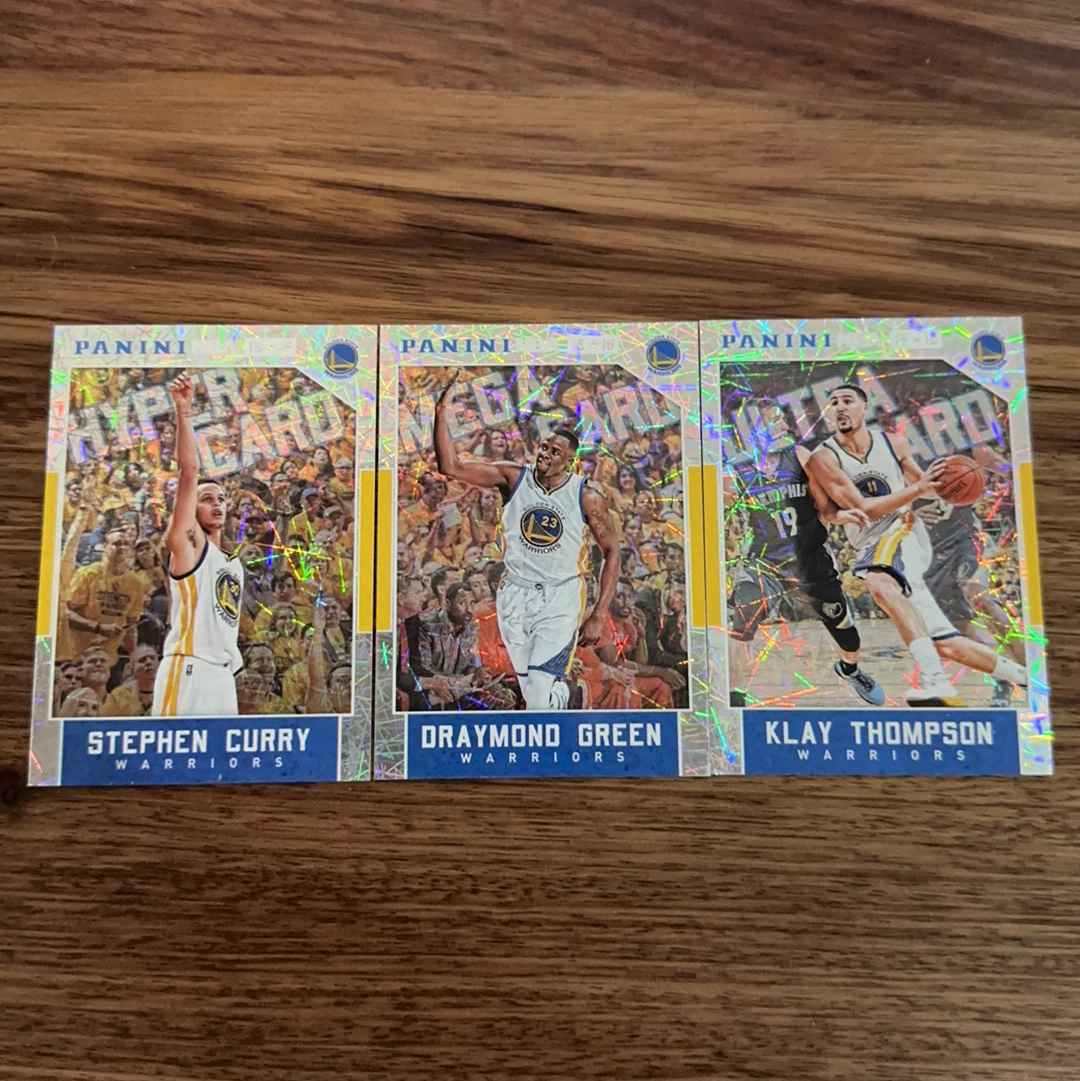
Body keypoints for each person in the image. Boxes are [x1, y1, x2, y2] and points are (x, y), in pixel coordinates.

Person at [807, 383, 1028, 707]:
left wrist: (953, 482)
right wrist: (841, 515)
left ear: (864, 408)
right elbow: (847, 509)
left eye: (847, 400)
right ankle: (1023, 677)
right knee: (946, 642)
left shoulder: (897, 444)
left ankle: (935, 681)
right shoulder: (823, 457)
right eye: (834, 403)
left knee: (881, 582)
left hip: (908, 532)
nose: (839, 407)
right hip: (875, 542)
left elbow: (927, 485)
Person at [434, 370, 620, 711]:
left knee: (535, 695)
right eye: (544, 447)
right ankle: (563, 696)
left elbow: (612, 551)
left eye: (555, 451)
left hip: (561, 595)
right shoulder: (513, 477)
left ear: (570, 461)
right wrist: (440, 412)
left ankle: (560, 699)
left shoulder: (586, 496)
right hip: (515, 593)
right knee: (531, 686)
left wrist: (597, 614)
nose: (545, 454)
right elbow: (451, 466)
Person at [725, 398, 886, 706]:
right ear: (755, 428)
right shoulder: (735, 471)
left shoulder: (799, 456)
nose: (785, 425)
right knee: (742, 619)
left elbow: (827, 504)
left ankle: (850, 669)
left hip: (807, 560)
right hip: (763, 562)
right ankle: (734, 696)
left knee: (843, 626)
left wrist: (842, 514)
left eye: (783, 419)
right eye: (775, 420)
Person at [152, 373, 245, 717]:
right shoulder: (189, 545)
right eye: (207, 499)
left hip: (223, 675)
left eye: (221, 499)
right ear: (192, 508)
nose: (217, 504)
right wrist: (184, 410)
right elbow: (189, 471)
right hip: (189, 666)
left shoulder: (232, 562)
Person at [64, 526, 147, 668]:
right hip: (80, 658)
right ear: (104, 546)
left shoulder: (136, 582)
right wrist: (98, 628)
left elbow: (131, 626)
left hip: (108, 661)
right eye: (117, 543)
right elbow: (67, 614)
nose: (122, 547)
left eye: (126, 544)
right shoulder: (87, 574)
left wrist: (134, 656)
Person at [101, 643, 161, 717]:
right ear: (132, 670)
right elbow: (106, 721)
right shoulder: (119, 695)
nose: (149, 662)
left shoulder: (170, 690)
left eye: (152, 658)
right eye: (142, 660)